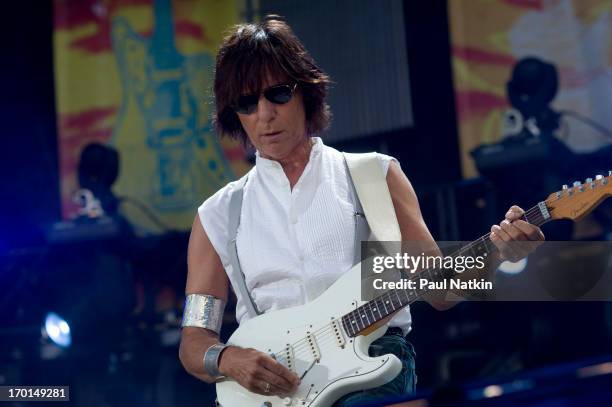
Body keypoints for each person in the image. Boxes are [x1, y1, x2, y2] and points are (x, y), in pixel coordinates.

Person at [178, 16, 545, 405]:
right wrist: (228, 358)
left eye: (278, 95)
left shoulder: (374, 175)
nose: (264, 114)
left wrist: (498, 255)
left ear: (306, 93)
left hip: (372, 366)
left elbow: (441, 290)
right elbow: (193, 341)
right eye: (248, 103)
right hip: (272, 392)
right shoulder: (217, 214)